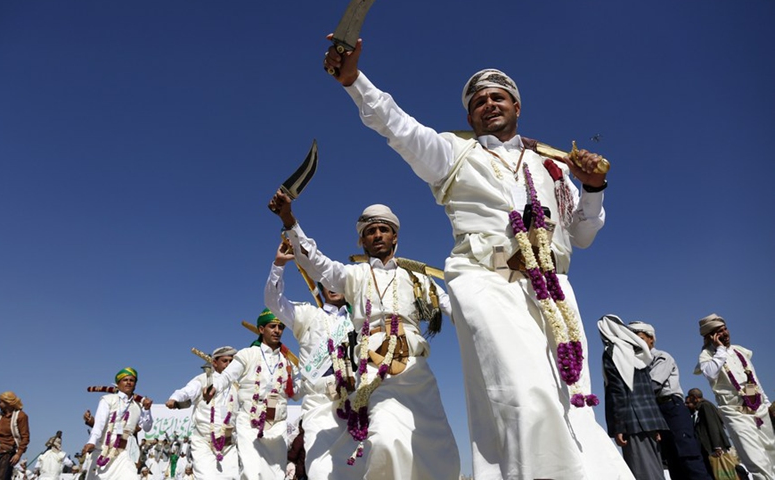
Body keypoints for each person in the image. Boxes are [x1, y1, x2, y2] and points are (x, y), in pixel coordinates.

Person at [323, 35, 632, 479]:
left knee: (569, 407)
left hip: (554, 293)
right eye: (480, 101)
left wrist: (594, 189)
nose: (490, 104)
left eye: (499, 97)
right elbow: (397, 125)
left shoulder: (555, 166)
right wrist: (353, 80)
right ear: (470, 115)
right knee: (524, 397)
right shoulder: (453, 152)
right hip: (486, 282)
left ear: (517, 106)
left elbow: (581, 236)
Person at [268, 197, 460, 479]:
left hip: (417, 371)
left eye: (383, 229)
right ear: (362, 241)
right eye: (370, 231)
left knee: (434, 446)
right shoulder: (353, 275)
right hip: (373, 371)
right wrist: (289, 220)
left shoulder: (418, 278)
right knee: (384, 437)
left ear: (395, 236)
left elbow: (454, 309)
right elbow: (318, 265)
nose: (377, 235)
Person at [263, 241, 356, 477]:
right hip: (319, 404)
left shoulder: (359, 320)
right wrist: (278, 266)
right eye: (327, 282)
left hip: (356, 403)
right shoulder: (307, 315)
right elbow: (273, 302)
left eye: (338, 282)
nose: (332, 286)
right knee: (320, 471)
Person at [207, 310, 296, 480]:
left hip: (277, 425)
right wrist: (214, 386)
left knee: (276, 475)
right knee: (251, 473)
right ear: (261, 329)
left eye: (280, 327)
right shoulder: (247, 354)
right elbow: (227, 375)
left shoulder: (288, 361)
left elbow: (296, 393)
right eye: (272, 326)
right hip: (250, 421)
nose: (277, 330)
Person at [628, 321, 711, 479]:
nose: (636, 343)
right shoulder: (636, 364)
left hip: (672, 408)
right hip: (656, 411)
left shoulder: (662, 357)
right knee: (672, 459)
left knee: (688, 455)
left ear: (651, 339)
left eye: (640, 338)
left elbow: (652, 386)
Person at [696, 314, 775, 479]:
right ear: (710, 336)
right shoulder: (707, 356)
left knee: (771, 451)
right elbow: (711, 374)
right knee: (755, 458)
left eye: (725, 329)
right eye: (718, 332)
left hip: (758, 409)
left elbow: (753, 380)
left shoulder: (740, 351)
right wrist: (719, 350)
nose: (724, 333)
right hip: (735, 412)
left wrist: (765, 403)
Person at [599, 314, 669, 479]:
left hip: (632, 423)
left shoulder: (612, 353)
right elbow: (649, 392)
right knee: (656, 472)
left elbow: (617, 392)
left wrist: (618, 427)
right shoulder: (639, 353)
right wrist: (657, 424)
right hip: (650, 422)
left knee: (642, 472)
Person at [165, 346, 240, 479]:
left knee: (232, 477)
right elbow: (187, 391)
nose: (228, 365)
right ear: (214, 363)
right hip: (204, 442)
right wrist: (174, 399)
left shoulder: (237, 385)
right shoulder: (204, 379)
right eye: (225, 361)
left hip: (228, 445)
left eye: (231, 362)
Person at [81, 367, 153, 480]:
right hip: (102, 452)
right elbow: (99, 424)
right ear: (118, 383)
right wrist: (91, 442)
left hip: (123, 455)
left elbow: (147, 428)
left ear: (135, 384)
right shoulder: (107, 400)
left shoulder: (138, 406)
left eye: (132, 380)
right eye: (125, 380)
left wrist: (147, 410)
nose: (128, 382)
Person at [686, 388, 734, 478]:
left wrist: (716, 446)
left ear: (694, 397)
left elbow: (712, 426)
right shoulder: (701, 408)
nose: (688, 400)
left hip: (712, 448)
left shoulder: (705, 406)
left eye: (689, 397)